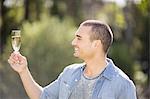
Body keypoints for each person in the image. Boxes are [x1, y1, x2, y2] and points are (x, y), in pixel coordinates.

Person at [8, 20, 137, 99]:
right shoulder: (69, 73)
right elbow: (43, 97)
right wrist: (23, 71)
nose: (73, 42)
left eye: (79, 38)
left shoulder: (123, 85)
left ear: (96, 44)